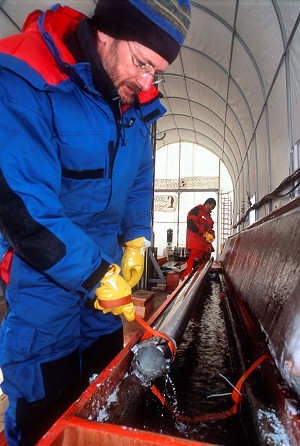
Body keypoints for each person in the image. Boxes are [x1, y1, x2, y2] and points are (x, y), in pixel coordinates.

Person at [0, 1, 191, 444]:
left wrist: (136, 240)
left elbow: (140, 176)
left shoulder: (136, 99)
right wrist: (95, 274)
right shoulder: (25, 79)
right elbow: (23, 206)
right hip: (46, 278)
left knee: (102, 400)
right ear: (106, 33)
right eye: (142, 63)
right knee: (44, 415)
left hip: (105, 287)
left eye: (157, 72)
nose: (147, 82)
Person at [180, 198, 216, 280]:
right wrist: (205, 233)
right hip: (197, 245)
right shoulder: (196, 210)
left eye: (213, 207)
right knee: (192, 266)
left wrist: (212, 235)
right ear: (206, 203)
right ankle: (182, 283)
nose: (211, 207)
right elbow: (191, 225)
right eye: (210, 205)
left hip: (205, 246)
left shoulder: (208, 216)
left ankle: (199, 284)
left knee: (203, 267)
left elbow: (210, 229)